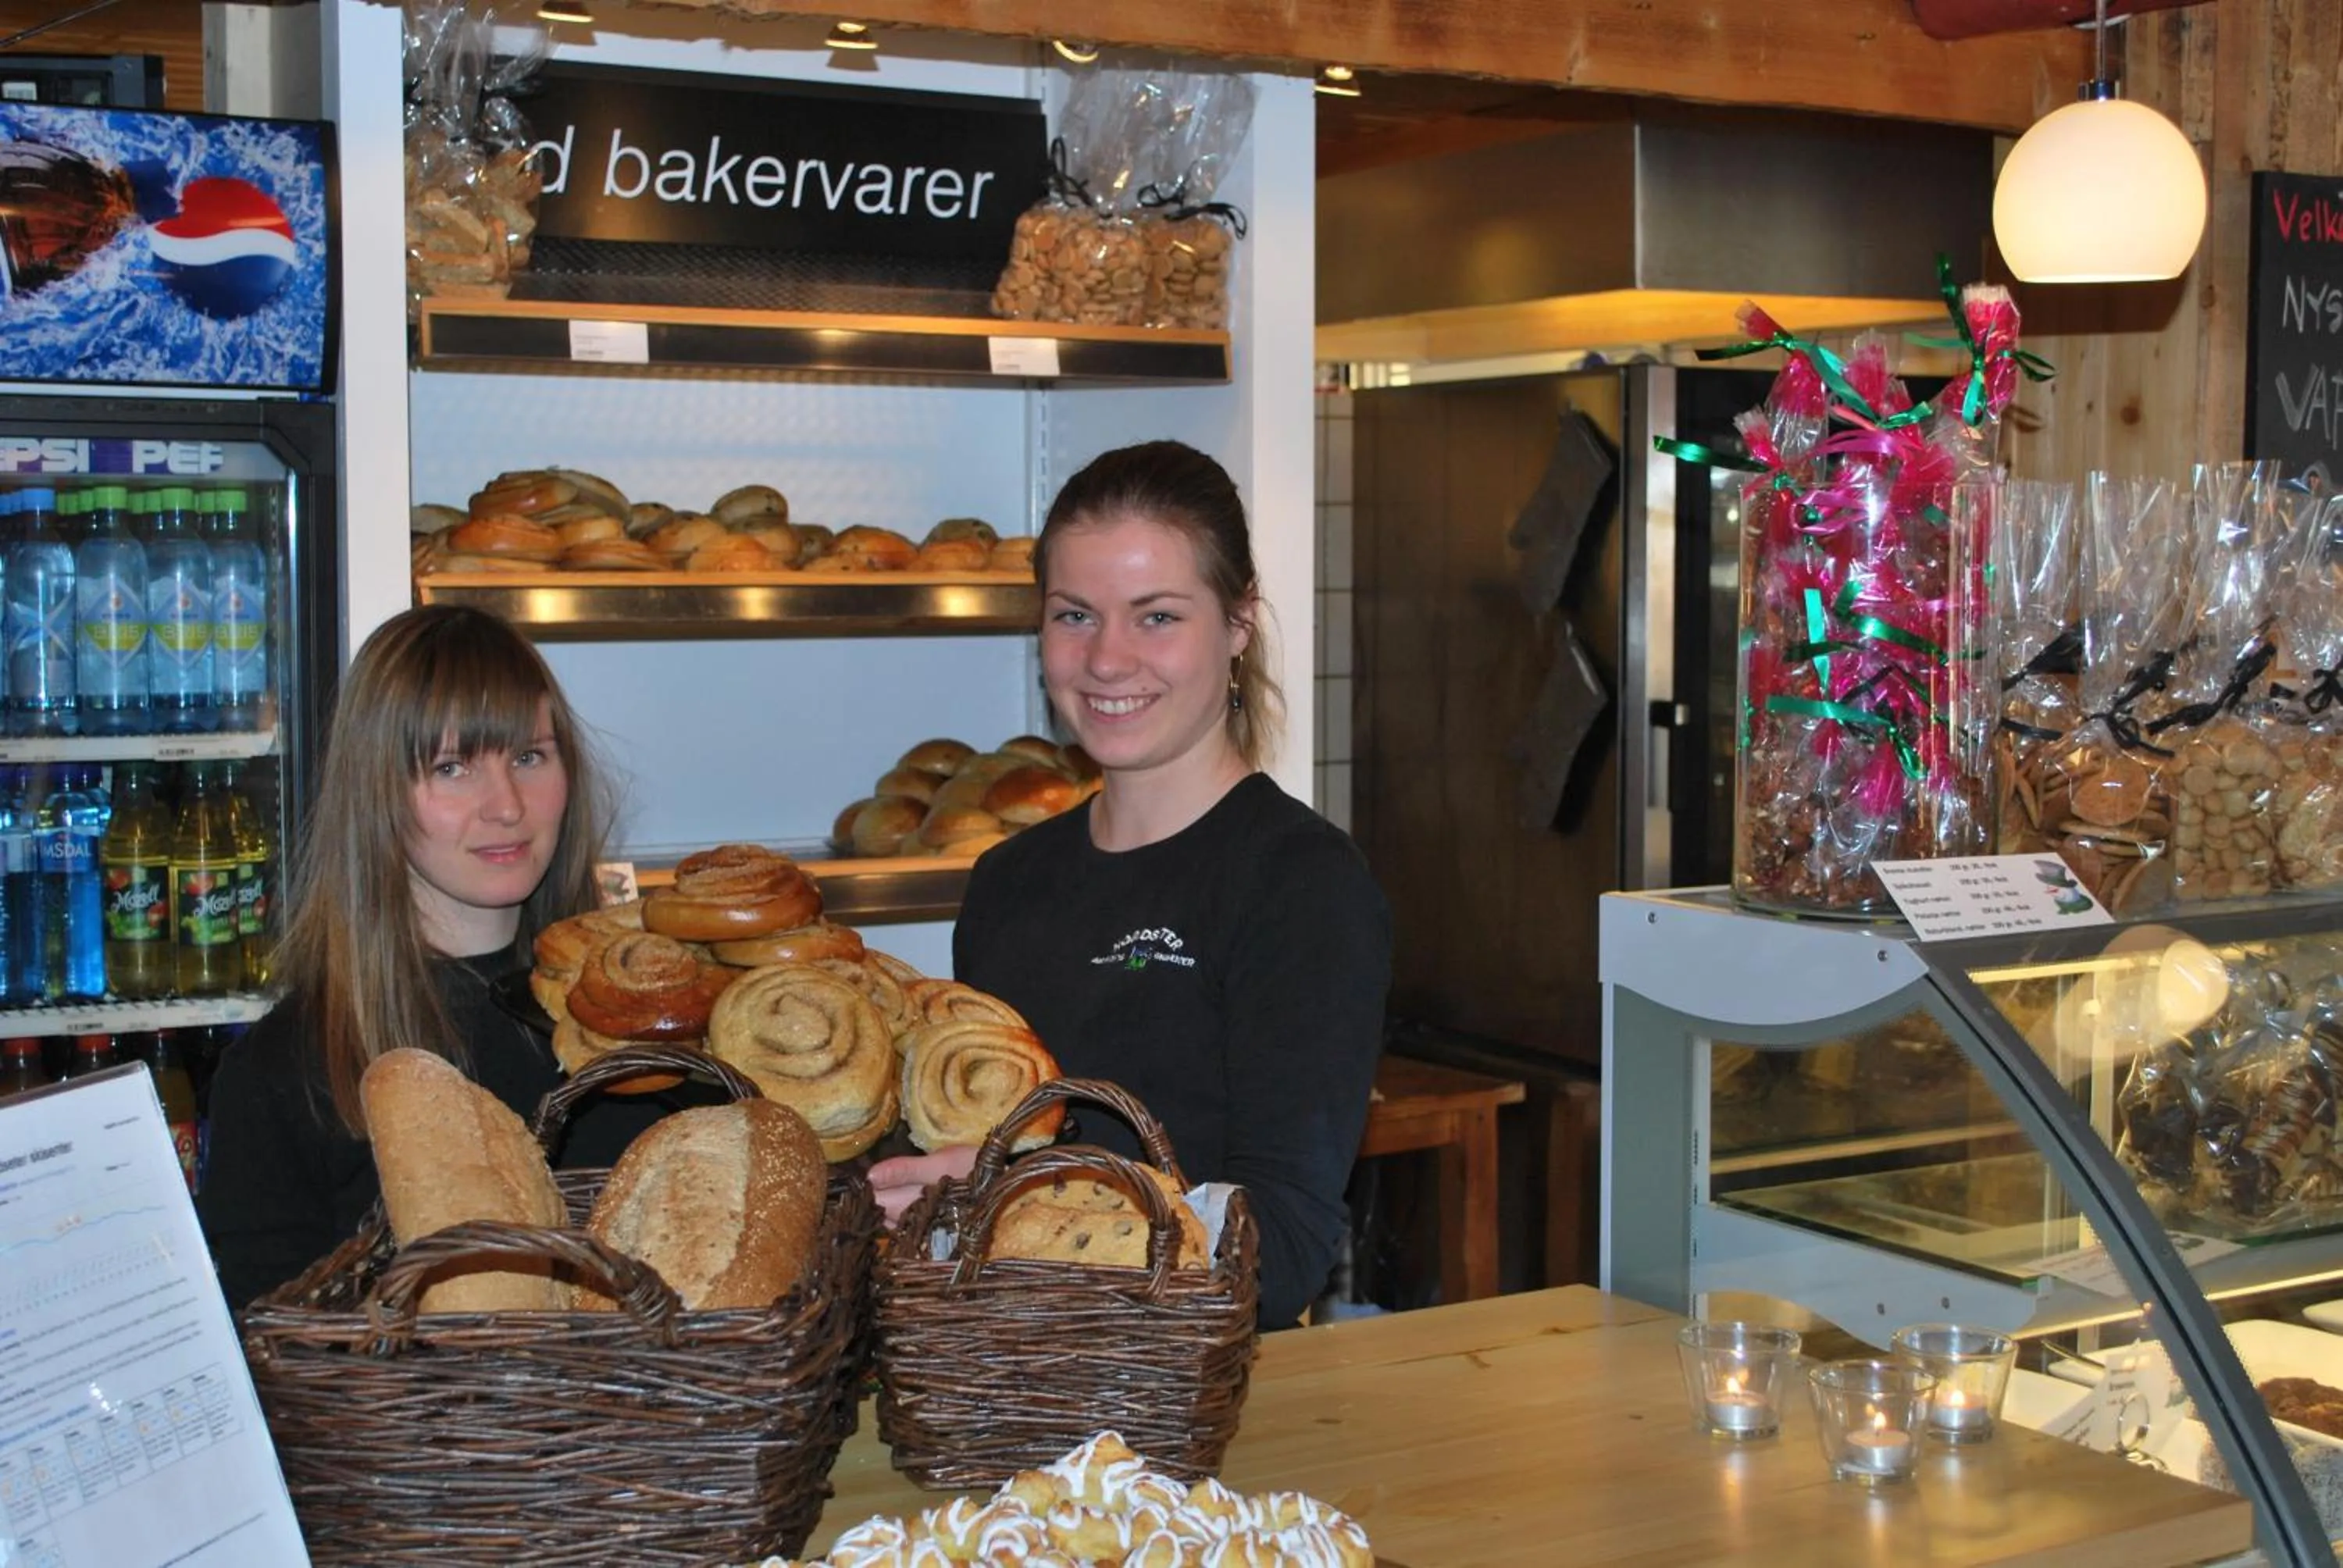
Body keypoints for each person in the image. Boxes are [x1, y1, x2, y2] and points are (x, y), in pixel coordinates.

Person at [869, 440, 1393, 1329]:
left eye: (1156, 617)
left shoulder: (1301, 886)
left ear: (1236, 624)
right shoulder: (1008, 882)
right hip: (1012, 1394)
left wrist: (1019, 1197)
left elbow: (1286, 1250)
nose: (1107, 660)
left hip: (1200, 1421)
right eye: (1075, 615)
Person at [198, 604, 696, 1307]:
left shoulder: (646, 1022)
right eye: (453, 766)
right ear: (376, 797)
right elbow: (272, 1356)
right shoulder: (287, 1071)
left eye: (529, 757)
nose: (506, 806)